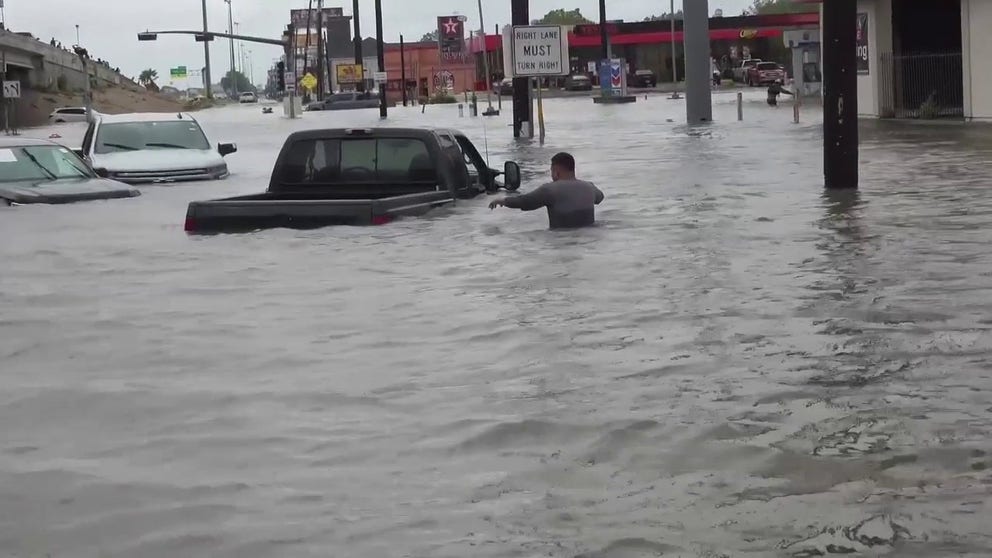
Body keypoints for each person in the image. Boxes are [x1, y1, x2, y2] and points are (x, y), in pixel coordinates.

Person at [489, 152, 604, 229]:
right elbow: (600, 197)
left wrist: (503, 201)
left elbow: (525, 201)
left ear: (556, 172)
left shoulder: (550, 190)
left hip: (560, 241)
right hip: (588, 241)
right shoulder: (590, 188)